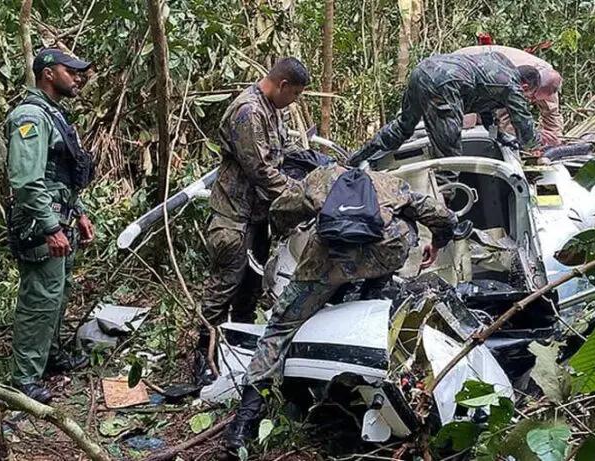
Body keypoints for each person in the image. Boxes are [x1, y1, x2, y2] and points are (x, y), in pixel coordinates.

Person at [224, 163, 458, 450]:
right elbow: (441, 215)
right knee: (404, 230)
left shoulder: (321, 178)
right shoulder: (389, 182)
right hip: (385, 252)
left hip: (328, 258)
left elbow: (282, 210)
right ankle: (371, 294)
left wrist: (288, 229)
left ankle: (244, 423)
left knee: (279, 327)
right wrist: (436, 243)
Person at [196, 58, 311, 383]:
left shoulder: (273, 109)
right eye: (296, 94)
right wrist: (299, 195)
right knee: (222, 290)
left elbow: (281, 153)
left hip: (257, 217)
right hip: (234, 216)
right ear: (282, 85)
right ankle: (204, 358)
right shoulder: (248, 112)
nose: (295, 101)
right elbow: (260, 170)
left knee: (250, 288)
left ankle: (236, 351)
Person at [5, 48, 96, 403]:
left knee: (57, 294)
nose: (77, 78)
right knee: (39, 298)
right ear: (47, 73)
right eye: (69, 71)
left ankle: (50, 357)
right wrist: (49, 227)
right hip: (40, 224)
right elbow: (27, 181)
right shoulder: (31, 116)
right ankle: (24, 378)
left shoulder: (54, 116)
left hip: (61, 218)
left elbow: (61, 177)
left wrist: (80, 213)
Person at [348, 51, 540, 165]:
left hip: (422, 70)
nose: (527, 100)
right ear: (524, 86)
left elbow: (486, 110)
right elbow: (523, 123)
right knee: (449, 155)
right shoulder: (511, 86)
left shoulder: (499, 61)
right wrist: (534, 146)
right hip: (444, 85)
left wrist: (498, 137)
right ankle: (445, 219)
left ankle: (357, 158)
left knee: (403, 126)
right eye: (529, 96)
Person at [454, 44, 563, 146]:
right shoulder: (509, 81)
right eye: (532, 97)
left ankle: (493, 140)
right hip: (460, 67)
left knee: (488, 118)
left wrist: (555, 141)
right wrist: (523, 143)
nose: (532, 101)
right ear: (526, 86)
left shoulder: (550, 80)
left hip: (484, 73)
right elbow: (506, 117)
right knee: (467, 123)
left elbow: (551, 113)